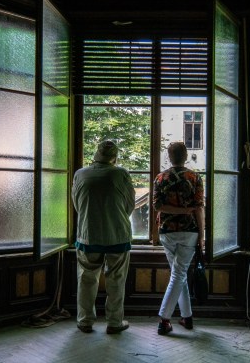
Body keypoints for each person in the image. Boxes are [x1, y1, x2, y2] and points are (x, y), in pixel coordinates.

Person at [71, 139, 136, 334]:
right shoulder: (120, 174)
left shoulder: (80, 174)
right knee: (116, 279)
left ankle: (84, 320)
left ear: (96, 155)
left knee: (86, 278)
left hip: (87, 235)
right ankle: (115, 322)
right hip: (117, 235)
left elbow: (77, 204)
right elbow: (129, 204)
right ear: (114, 158)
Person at [152, 141, 205, 335]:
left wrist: (175, 210)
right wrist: (202, 235)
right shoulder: (194, 177)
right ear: (185, 156)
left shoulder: (160, 177)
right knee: (179, 273)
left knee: (178, 273)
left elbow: (157, 206)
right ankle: (164, 320)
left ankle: (187, 316)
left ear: (169, 156)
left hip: (166, 231)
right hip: (189, 230)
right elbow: (199, 207)